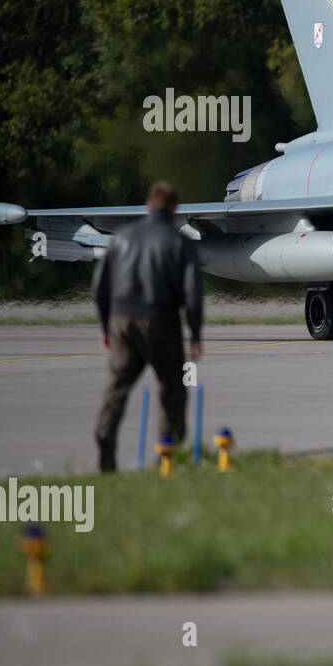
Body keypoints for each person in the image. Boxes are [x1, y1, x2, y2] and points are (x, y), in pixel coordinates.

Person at [92, 181, 203, 472]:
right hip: (162, 321)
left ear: (147, 206)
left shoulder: (122, 237)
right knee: (171, 388)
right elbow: (193, 293)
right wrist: (195, 334)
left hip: (121, 321)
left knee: (118, 386)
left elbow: (100, 286)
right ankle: (168, 455)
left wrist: (105, 326)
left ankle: (105, 437)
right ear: (175, 209)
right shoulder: (180, 242)